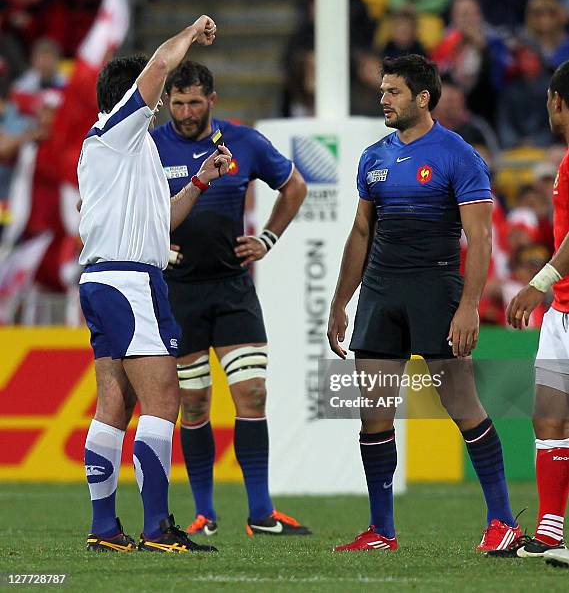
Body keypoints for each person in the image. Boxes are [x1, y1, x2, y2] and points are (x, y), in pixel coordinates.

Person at [327, 54, 520, 552]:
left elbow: (480, 240)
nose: (383, 99)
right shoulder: (373, 157)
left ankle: (502, 521)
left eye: (392, 92)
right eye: (382, 91)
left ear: (422, 98)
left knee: (460, 404)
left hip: (435, 288)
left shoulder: (459, 155)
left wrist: (469, 305)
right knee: (373, 411)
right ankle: (381, 530)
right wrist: (340, 302)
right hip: (380, 290)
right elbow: (361, 232)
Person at [78, 15, 233, 553]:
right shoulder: (117, 133)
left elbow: (158, 223)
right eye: (160, 93)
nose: (165, 101)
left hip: (108, 279)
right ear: (132, 98)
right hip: (129, 280)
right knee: (164, 402)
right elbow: (162, 63)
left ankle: (105, 530)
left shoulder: (126, 150)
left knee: (113, 408)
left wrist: (197, 182)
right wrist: (190, 31)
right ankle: (157, 528)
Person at [151, 60, 310, 537]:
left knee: (252, 394)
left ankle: (260, 511)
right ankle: (205, 512)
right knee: (195, 404)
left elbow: (295, 186)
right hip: (178, 292)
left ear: (212, 100)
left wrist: (267, 239)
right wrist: (154, 245)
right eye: (177, 103)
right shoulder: (151, 146)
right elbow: (125, 202)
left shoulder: (243, 142)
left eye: (194, 102)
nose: (184, 112)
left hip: (232, 288)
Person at [488, 60, 569, 565]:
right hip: (563, 314)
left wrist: (538, 282)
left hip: (558, 297)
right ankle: (550, 531)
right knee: (548, 417)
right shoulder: (565, 162)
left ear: (558, 101)